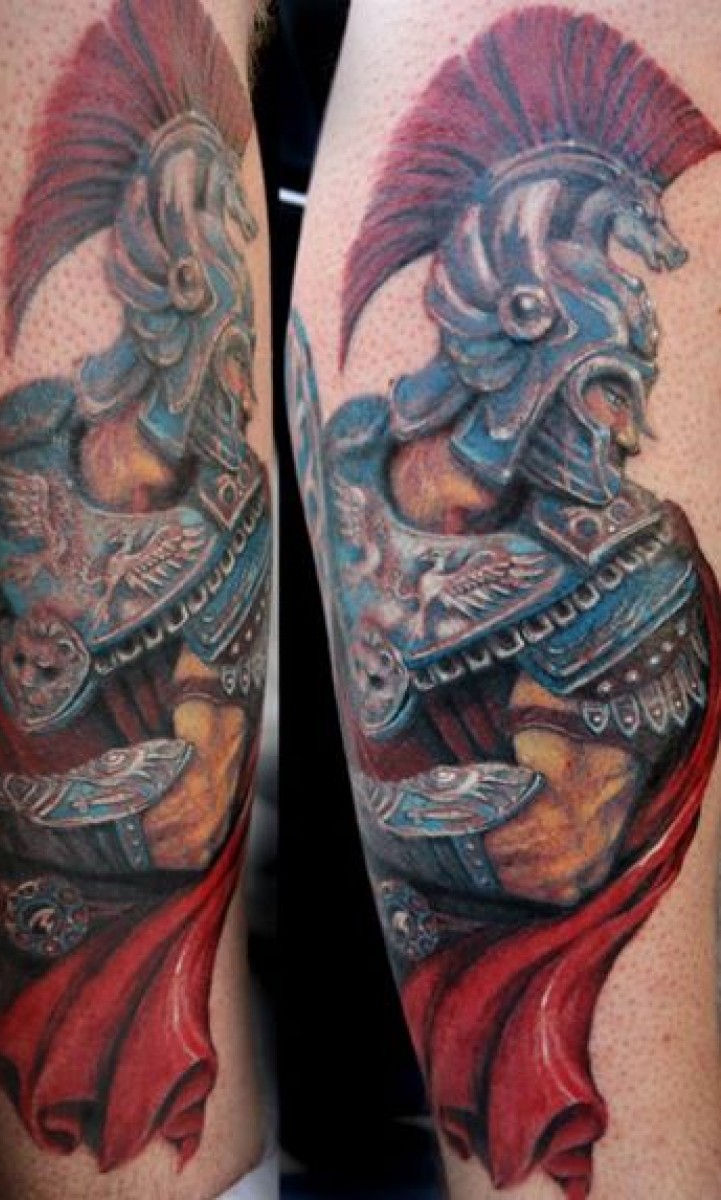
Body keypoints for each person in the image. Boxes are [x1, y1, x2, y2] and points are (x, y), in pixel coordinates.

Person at [288, 3, 721, 1197]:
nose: (630, 427)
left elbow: (559, 843)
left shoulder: (630, 563)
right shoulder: (365, 449)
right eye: (609, 383)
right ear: (526, 327)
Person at [0, 1, 272, 1197]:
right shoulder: (26, 429)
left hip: (127, 1002)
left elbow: (188, 810)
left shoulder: (222, 511)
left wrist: (19, 806)